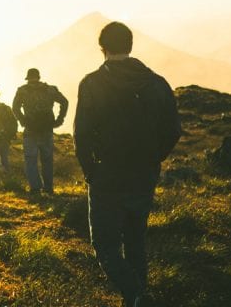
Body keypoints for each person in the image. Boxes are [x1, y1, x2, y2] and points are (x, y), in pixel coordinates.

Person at [73, 21, 181, 307]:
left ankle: (135, 295)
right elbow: (173, 130)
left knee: (105, 246)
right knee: (135, 242)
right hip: (143, 175)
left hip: (107, 175)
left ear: (102, 48)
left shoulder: (92, 83)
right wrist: (153, 158)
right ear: (130, 46)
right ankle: (137, 298)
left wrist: (91, 172)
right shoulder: (157, 83)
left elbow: (81, 135)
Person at [12, 68, 68, 195]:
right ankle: (48, 188)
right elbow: (64, 102)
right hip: (47, 129)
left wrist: (23, 121)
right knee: (47, 160)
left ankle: (35, 188)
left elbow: (15, 108)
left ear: (28, 78)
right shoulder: (50, 89)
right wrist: (59, 120)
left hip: (30, 130)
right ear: (39, 77)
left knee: (31, 160)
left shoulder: (22, 91)